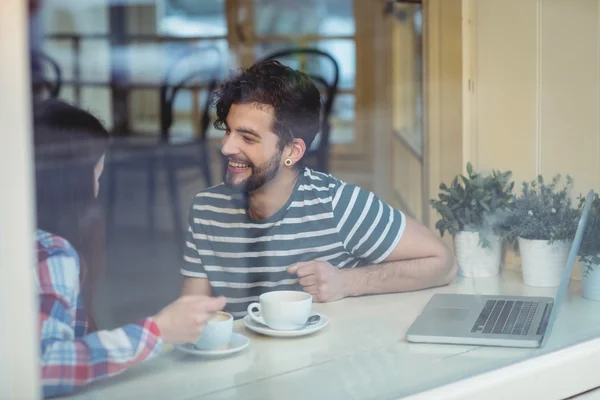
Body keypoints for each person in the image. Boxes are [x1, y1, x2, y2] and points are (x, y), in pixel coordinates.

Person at [180, 60, 457, 318]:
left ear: (292, 150)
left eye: (247, 138)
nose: (226, 147)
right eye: (228, 131)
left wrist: (347, 282)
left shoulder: (338, 205)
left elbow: (442, 263)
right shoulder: (207, 209)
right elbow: (192, 314)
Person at [33, 99, 226, 398]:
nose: (98, 185)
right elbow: (43, 367)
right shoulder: (53, 254)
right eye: (97, 172)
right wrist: (158, 331)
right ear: (75, 180)